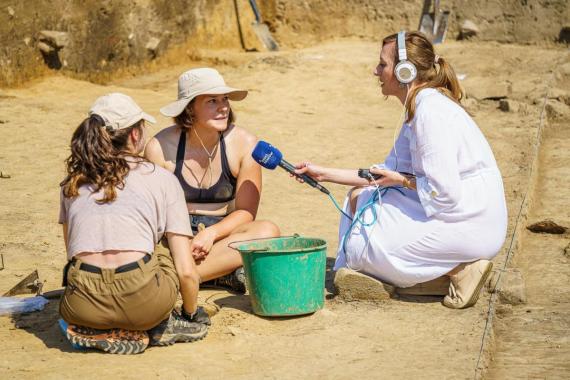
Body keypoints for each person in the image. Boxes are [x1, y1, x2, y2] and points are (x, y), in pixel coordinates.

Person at [293, 31, 507, 309]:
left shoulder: (430, 114)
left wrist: (403, 181)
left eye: (382, 65)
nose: (376, 71)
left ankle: (457, 272)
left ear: (405, 71)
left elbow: (445, 193)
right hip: (462, 214)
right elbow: (381, 174)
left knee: (358, 248)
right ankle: (439, 276)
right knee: (358, 196)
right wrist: (321, 173)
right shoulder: (419, 108)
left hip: (471, 222)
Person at [58, 93, 210, 354]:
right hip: (144, 302)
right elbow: (186, 271)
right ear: (134, 136)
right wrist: (191, 313)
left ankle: (98, 327)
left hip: (81, 305)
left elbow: (71, 252)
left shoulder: (72, 183)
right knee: (165, 248)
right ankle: (159, 325)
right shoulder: (161, 179)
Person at [145, 68, 280, 293]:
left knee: (268, 231)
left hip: (222, 235)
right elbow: (153, 211)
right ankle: (216, 273)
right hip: (173, 235)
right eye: (212, 101)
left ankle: (180, 278)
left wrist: (211, 234)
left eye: (225, 99)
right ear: (190, 109)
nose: (223, 107)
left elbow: (246, 212)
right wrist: (181, 240)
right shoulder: (160, 147)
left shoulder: (245, 144)